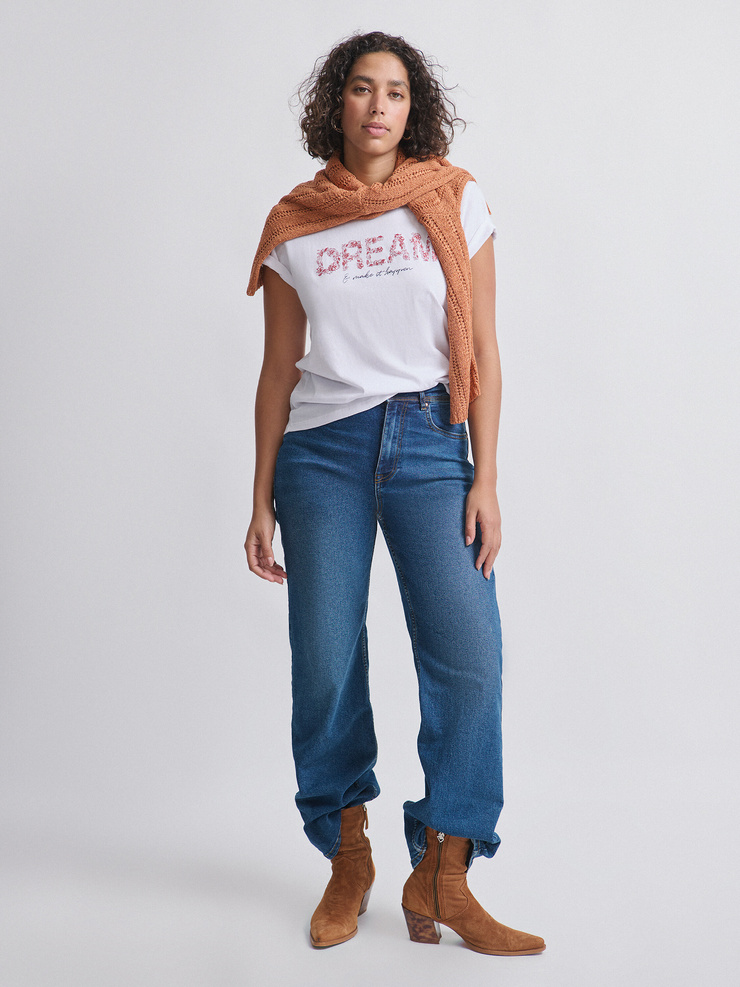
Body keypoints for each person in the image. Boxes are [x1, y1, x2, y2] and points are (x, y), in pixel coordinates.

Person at [245, 31, 545, 956]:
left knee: (469, 654)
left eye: (397, 92)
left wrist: (486, 475)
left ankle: (444, 873)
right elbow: (278, 370)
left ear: (415, 109)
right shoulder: (297, 221)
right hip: (322, 453)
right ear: (335, 102)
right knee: (325, 657)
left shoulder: (453, 198)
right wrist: (259, 498)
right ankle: (348, 854)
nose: (379, 106)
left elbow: (483, 346)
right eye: (363, 89)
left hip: (429, 440)